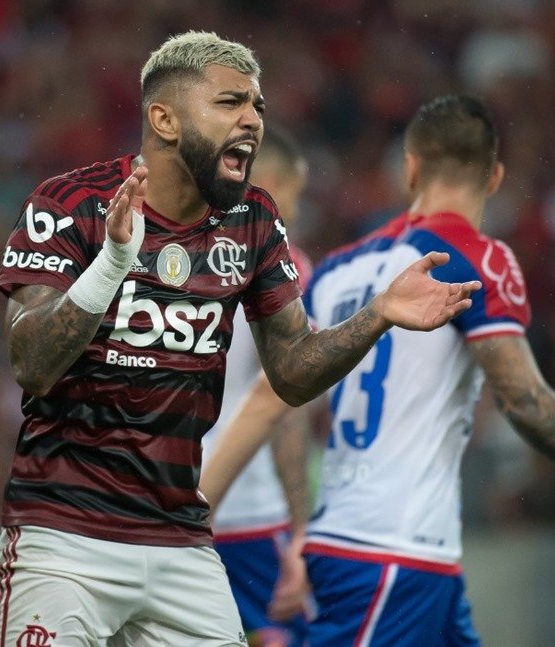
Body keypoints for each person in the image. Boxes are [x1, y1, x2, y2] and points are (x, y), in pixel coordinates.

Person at [0, 31, 482, 647]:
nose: (252, 120)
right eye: (231, 103)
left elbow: (293, 373)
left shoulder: (252, 220)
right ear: (163, 118)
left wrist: (377, 315)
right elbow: (32, 364)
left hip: (181, 538)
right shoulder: (69, 204)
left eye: (258, 106)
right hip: (64, 535)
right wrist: (113, 263)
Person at [201, 94, 555, 646]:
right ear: (494, 177)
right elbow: (524, 399)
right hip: (388, 551)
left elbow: (270, 403)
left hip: (405, 551)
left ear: (410, 168)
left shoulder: (336, 269)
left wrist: (199, 510)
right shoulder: (477, 259)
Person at [200, 125, 313, 647]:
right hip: (249, 503)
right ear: (269, 184)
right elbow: (285, 401)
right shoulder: (283, 265)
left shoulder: (178, 249)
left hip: (171, 494)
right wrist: (300, 525)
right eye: (293, 193)